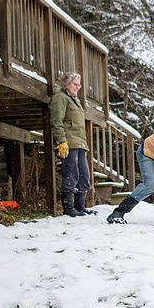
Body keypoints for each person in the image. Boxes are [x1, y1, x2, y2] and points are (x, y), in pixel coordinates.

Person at [49, 71, 95, 217]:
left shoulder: (75, 101)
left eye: (79, 85)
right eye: (75, 84)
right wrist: (62, 140)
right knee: (71, 174)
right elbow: (56, 121)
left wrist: (84, 145)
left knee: (84, 175)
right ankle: (68, 209)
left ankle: (80, 207)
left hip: (80, 143)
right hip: (69, 142)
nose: (78, 87)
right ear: (67, 84)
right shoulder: (61, 98)